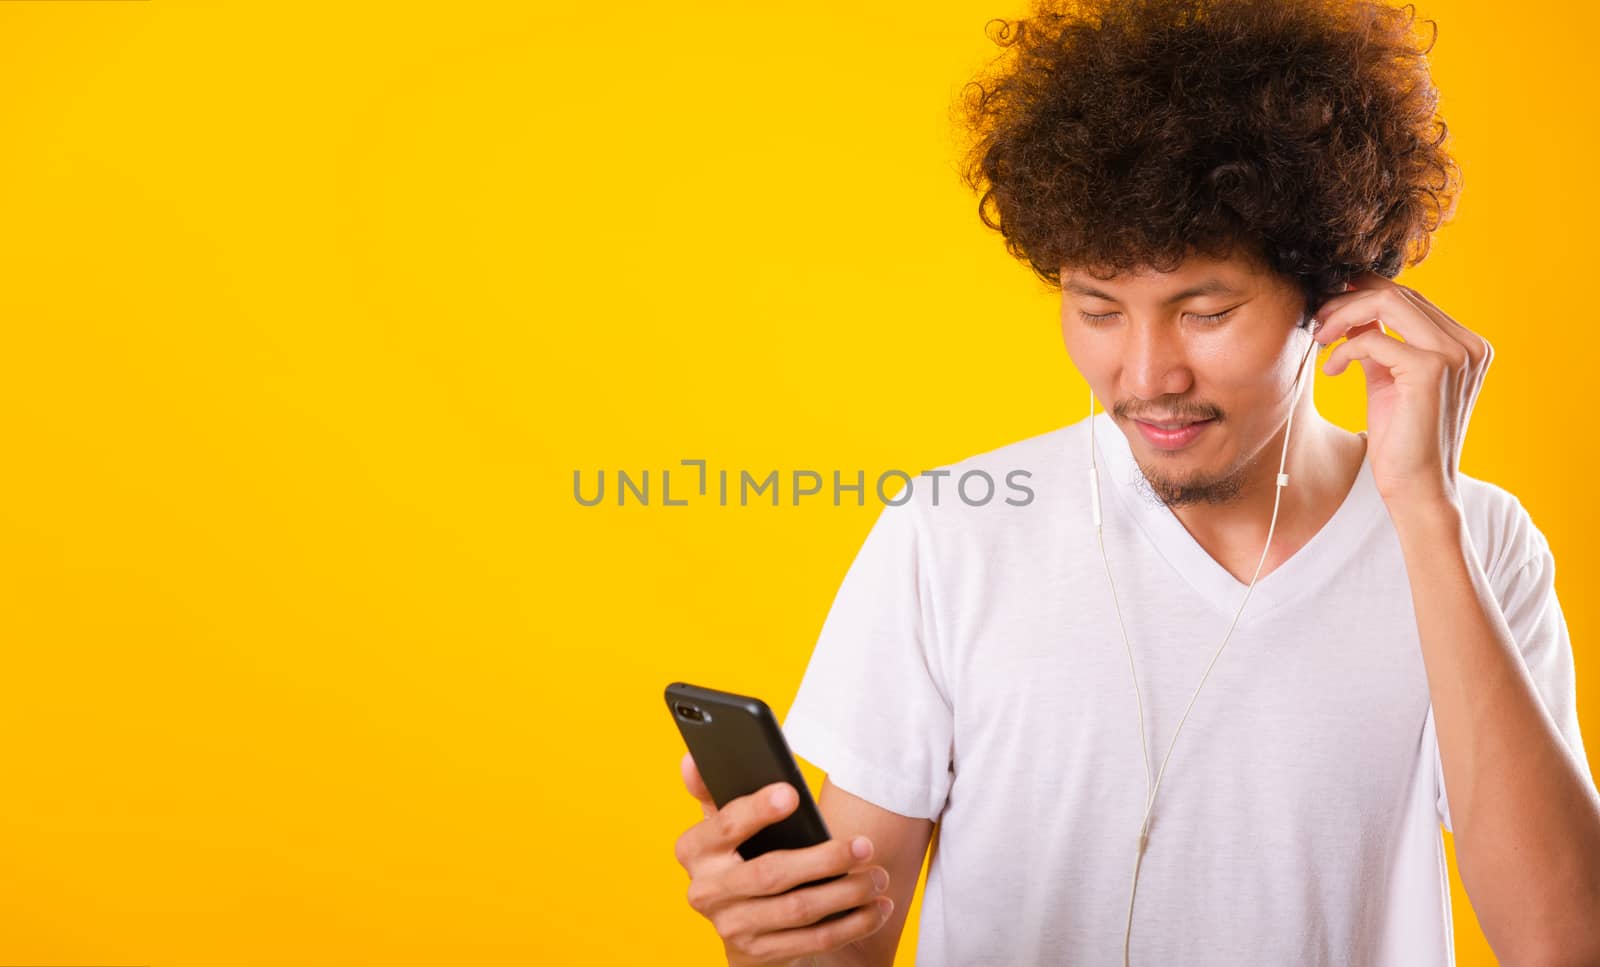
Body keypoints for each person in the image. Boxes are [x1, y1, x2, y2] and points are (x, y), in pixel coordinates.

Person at [671, 0, 1600, 963]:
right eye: (1099, 308)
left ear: (1334, 297)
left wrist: (1425, 513)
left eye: (1206, 310)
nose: (1146, 375)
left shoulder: (1475, 543)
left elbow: (1566, 942)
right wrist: (773, 931)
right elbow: (842, 948)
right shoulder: (950, 536)